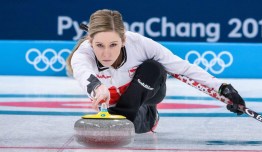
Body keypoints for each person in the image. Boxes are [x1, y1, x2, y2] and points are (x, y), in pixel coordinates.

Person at [66, 9, 245, 134]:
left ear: (123, 40)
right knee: (134, 124)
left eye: (113, 44)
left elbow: (182, 67)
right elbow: (83, 74)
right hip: (115, 105)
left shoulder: (141, 45)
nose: (106, 53)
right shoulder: (82, 54)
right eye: (99, 45)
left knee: (154, 68)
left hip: (147, 93)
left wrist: (223, 87)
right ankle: (128, 117)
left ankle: (130, 117)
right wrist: (98, 88)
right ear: (90, 42)